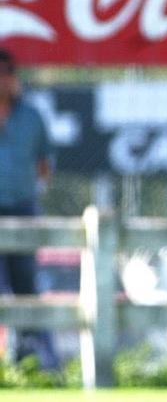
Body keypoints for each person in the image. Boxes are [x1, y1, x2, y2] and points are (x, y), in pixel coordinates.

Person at [0, 49, 59, 371]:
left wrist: (31, 190)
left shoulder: (30, 116)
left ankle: (36, 364)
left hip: (21, 208)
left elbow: (44, 164)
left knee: (26, 290)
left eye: (6, 72)